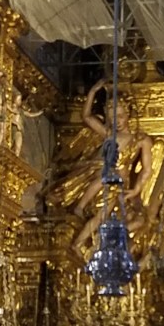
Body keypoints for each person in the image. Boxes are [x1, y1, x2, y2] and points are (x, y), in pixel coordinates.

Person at [46, 78, 153, 250]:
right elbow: (87, 117)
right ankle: (80, 207)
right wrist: (93, 92)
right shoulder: (109, 133)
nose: (117, 121)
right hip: (99, 172)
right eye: (112, 118)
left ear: (129, 114)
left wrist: (136, 190)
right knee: (106, 176)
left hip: (118, 184)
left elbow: (147, 170)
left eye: (120, 116)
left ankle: (78, 245)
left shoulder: (140, 139)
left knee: (102, 215)